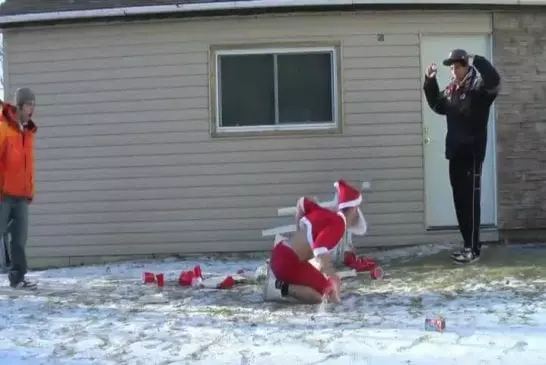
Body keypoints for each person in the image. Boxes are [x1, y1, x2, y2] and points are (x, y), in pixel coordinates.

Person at [423, 49, 500, 264]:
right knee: (459, 201)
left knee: (470, 201)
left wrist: (479, 60)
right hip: (455, 151)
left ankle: (474, 249)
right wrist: (430, 81)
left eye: (457, 66)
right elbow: (437, 105)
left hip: (472, 152)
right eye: (451, 67)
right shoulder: (451, 90)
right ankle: (467, 244)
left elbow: (495, 81)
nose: (453, 70)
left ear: (466, 66)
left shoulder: (479, 89)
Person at [263, 179, 367, 304]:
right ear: (353, 210)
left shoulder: (327, 215)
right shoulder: (339, 224)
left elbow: (302, 202)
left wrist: (298, 228)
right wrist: (332, 275)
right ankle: (278, 287)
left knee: (325, 285)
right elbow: (319, 247)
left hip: (281, 252)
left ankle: (282, 286)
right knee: (324, 294)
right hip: (288, 262)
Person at [0, 88, 38, 289]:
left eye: (33, 105)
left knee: (20, 239)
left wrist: (30, 190)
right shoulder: (3, 129)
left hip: (22, 195)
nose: (32, 109)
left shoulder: (28, 132)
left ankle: (18, 277)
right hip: (3, 194)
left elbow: (28, 165)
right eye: (29, 105)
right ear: (20, 106)